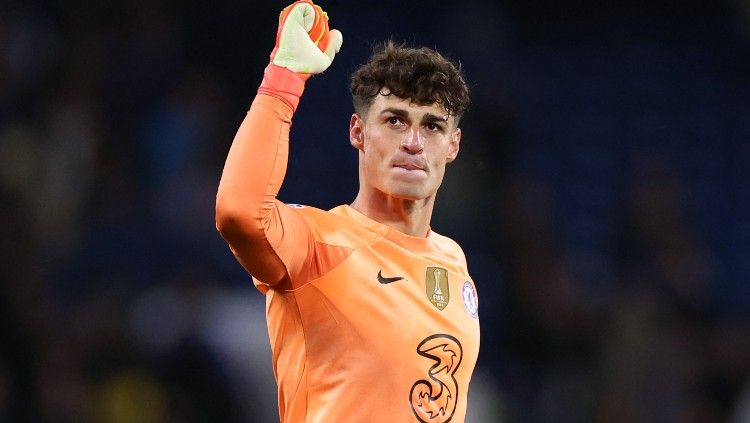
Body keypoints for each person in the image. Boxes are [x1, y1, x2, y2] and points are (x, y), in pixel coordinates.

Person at [215, 1, 479, 421]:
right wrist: (282, 81)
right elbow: (239, 214)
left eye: (432, 125)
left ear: (453, 145)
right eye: (395, 120)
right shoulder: (319, 244)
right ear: (358, 131)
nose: (413, 142)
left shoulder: (453, 261)